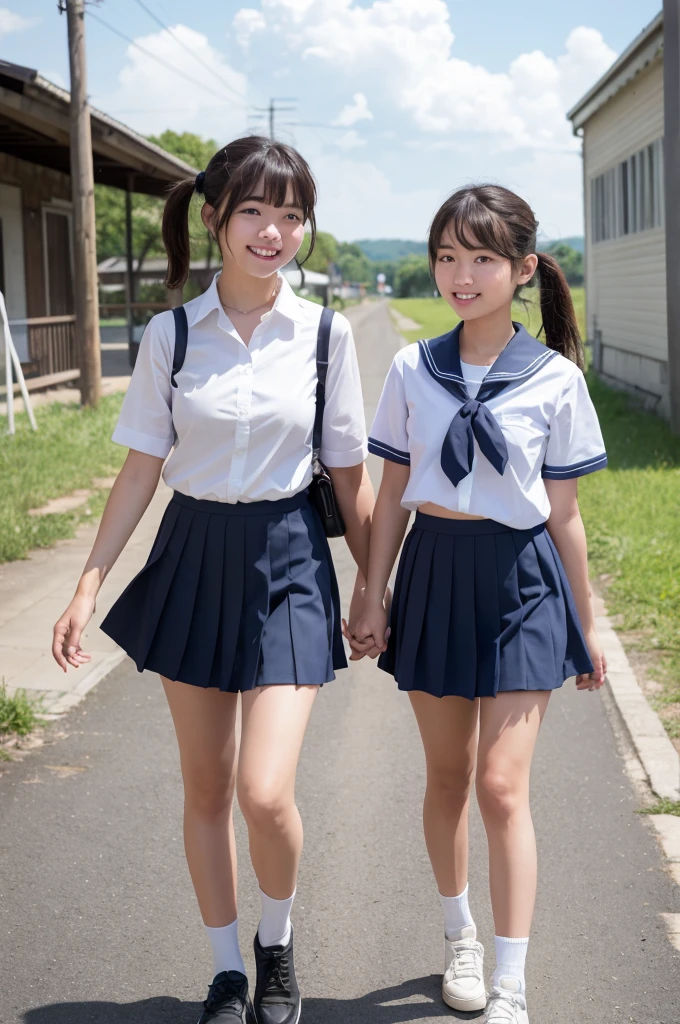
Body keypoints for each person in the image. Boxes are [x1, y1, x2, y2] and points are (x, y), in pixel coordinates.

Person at [52, 136, 374, 1024]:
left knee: (264, 791)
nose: (274, 231)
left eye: (292, 214)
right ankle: (228, 969)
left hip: (288, 556)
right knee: (206, 786)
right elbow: (139, 470)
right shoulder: (171, 334)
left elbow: (350, 475)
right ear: (215, 219)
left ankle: (278, 943)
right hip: (193, 552)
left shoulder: (325, 334)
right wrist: (86, 584)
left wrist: (373, 587)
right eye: (255, 212)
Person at [349, 184, 608, 1024]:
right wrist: (371, 589)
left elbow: (564, 513)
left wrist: (589, 619)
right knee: (451, 775)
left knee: (502, 786)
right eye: (448, 257)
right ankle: (458, 933)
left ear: (523, 269)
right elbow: (390, 495)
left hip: (522, 580)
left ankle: (511, 983)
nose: (462, 275)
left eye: (483, 259)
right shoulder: (408, 369)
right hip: (434, 572)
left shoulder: (558, 381)